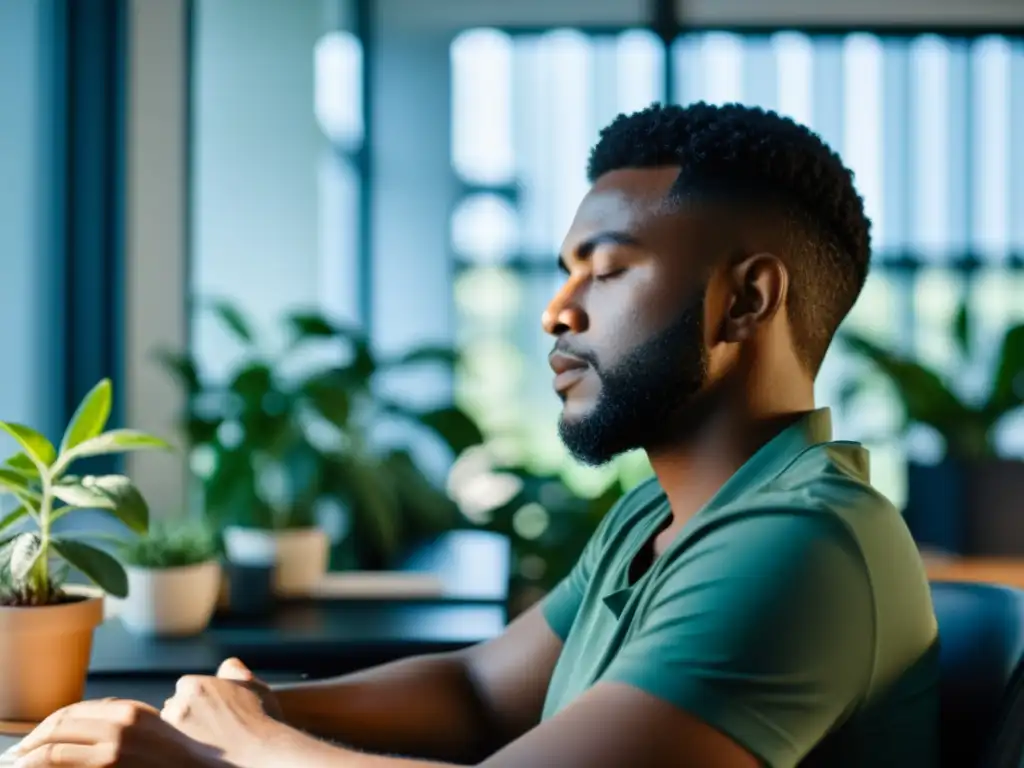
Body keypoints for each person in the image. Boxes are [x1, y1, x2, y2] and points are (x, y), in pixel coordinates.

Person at [11, 102, 939, 768]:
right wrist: (251, 708)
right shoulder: (665, 516)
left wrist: (243, 751)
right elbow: (482, 693)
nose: (555, 312)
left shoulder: (801, 544)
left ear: (745, 300)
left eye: (606, 272)